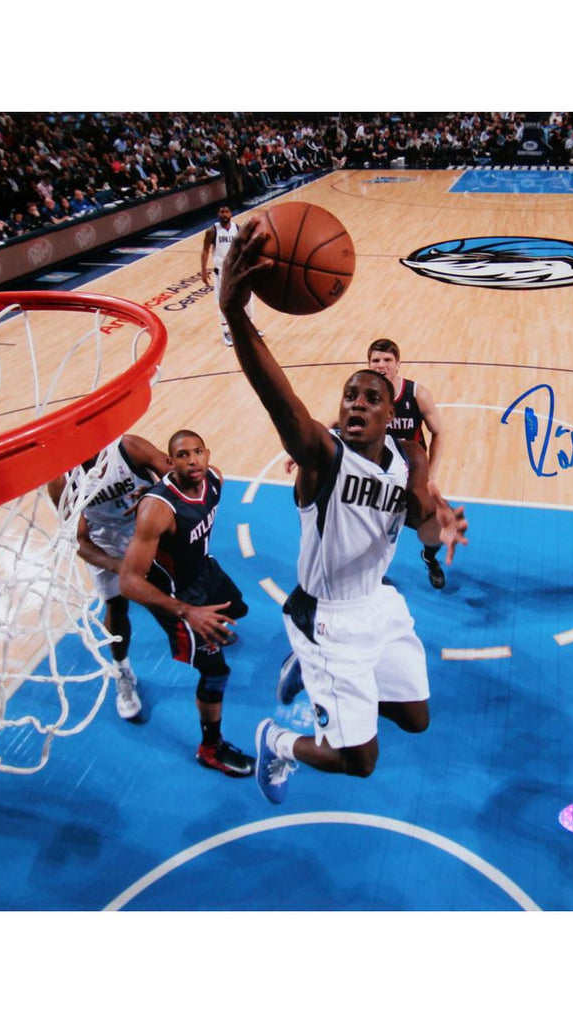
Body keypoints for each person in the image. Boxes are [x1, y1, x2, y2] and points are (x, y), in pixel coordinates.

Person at [218, 220, 468, 804]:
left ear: (391, 414)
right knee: (360, 761)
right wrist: (237, 316)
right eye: (349, 397)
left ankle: (313, 675)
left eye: (371, 398)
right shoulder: (321, 457)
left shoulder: (409, 455)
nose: (357, 403)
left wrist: (442, 525)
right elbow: (279, 398)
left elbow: (419, 521)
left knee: (416, 719)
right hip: (324, 615)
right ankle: (273, 739)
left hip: (377, 603)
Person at [119, 430, 255, 777]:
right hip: (181, 596)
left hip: (205, 571)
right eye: (182, 455)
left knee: (238, 610)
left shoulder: (214, 479)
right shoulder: (157, 510)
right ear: (171, 461)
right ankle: (210, 749)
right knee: (216, 672)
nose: (192, 460)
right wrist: (186, 611)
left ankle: (216, 630)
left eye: (198, 453)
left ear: (207, 454)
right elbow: (130, 580)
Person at [47, 435, 171, 719]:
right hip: (103, 541)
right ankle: (122, 670)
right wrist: (118, 566)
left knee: (171, 591)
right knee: (116, 605)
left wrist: (156, 495)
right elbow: (78, 538)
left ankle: (198, 631)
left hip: (147, 527)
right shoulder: (61, 480)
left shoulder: (128, 448)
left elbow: (178, 478)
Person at [366, 338, 449, 589]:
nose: (381, 365)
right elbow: (336, 422)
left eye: (387, 360)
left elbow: (440, 432)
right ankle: (371, 575)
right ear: (368, 364)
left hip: (413, 479)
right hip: (379, 480)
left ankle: (429, 557)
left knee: (436, 530)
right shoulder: (364, 395)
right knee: (369, 533)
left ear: (398, 364)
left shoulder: (416, 394)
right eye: (375, 360)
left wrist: (431, 475)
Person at [200, 205, 260, 347]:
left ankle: (250, 327)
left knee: (248, 297)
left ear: (231, 213)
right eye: (221, 211)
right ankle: (226, 331)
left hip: (237, 268)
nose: (224, 214)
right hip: (221, 271)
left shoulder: (237, 229)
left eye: (226, 211)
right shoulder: (212, 231)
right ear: (218, 213)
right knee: (223, 301)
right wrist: (203, 271)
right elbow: (205, 251)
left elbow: (245, 249)